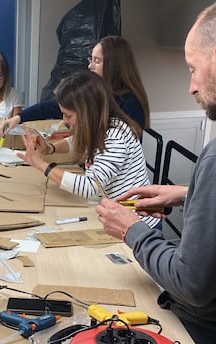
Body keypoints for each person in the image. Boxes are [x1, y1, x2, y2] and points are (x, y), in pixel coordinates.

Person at [95, 4, 216, 343]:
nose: (191, 87)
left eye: (193, 68)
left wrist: (132, 231)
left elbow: (190, 284)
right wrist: (186, 194)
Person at [17, 70, 160, 231]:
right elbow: (76, 141)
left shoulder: (115, 137)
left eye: (68, 115)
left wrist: (41, 165)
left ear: (88, 112)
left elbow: (89, 187)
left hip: (139, 224)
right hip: (119, 214)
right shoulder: (101, 125)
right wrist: (50, 148)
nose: (65, 121)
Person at [0, 36, 150, 135]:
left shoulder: (130, 104)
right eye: (90, 59)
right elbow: (50, 106)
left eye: (97, 61)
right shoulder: (95, 91)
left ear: (114, 65)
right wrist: (18, 118)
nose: (90, 66)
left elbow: (112, 155)